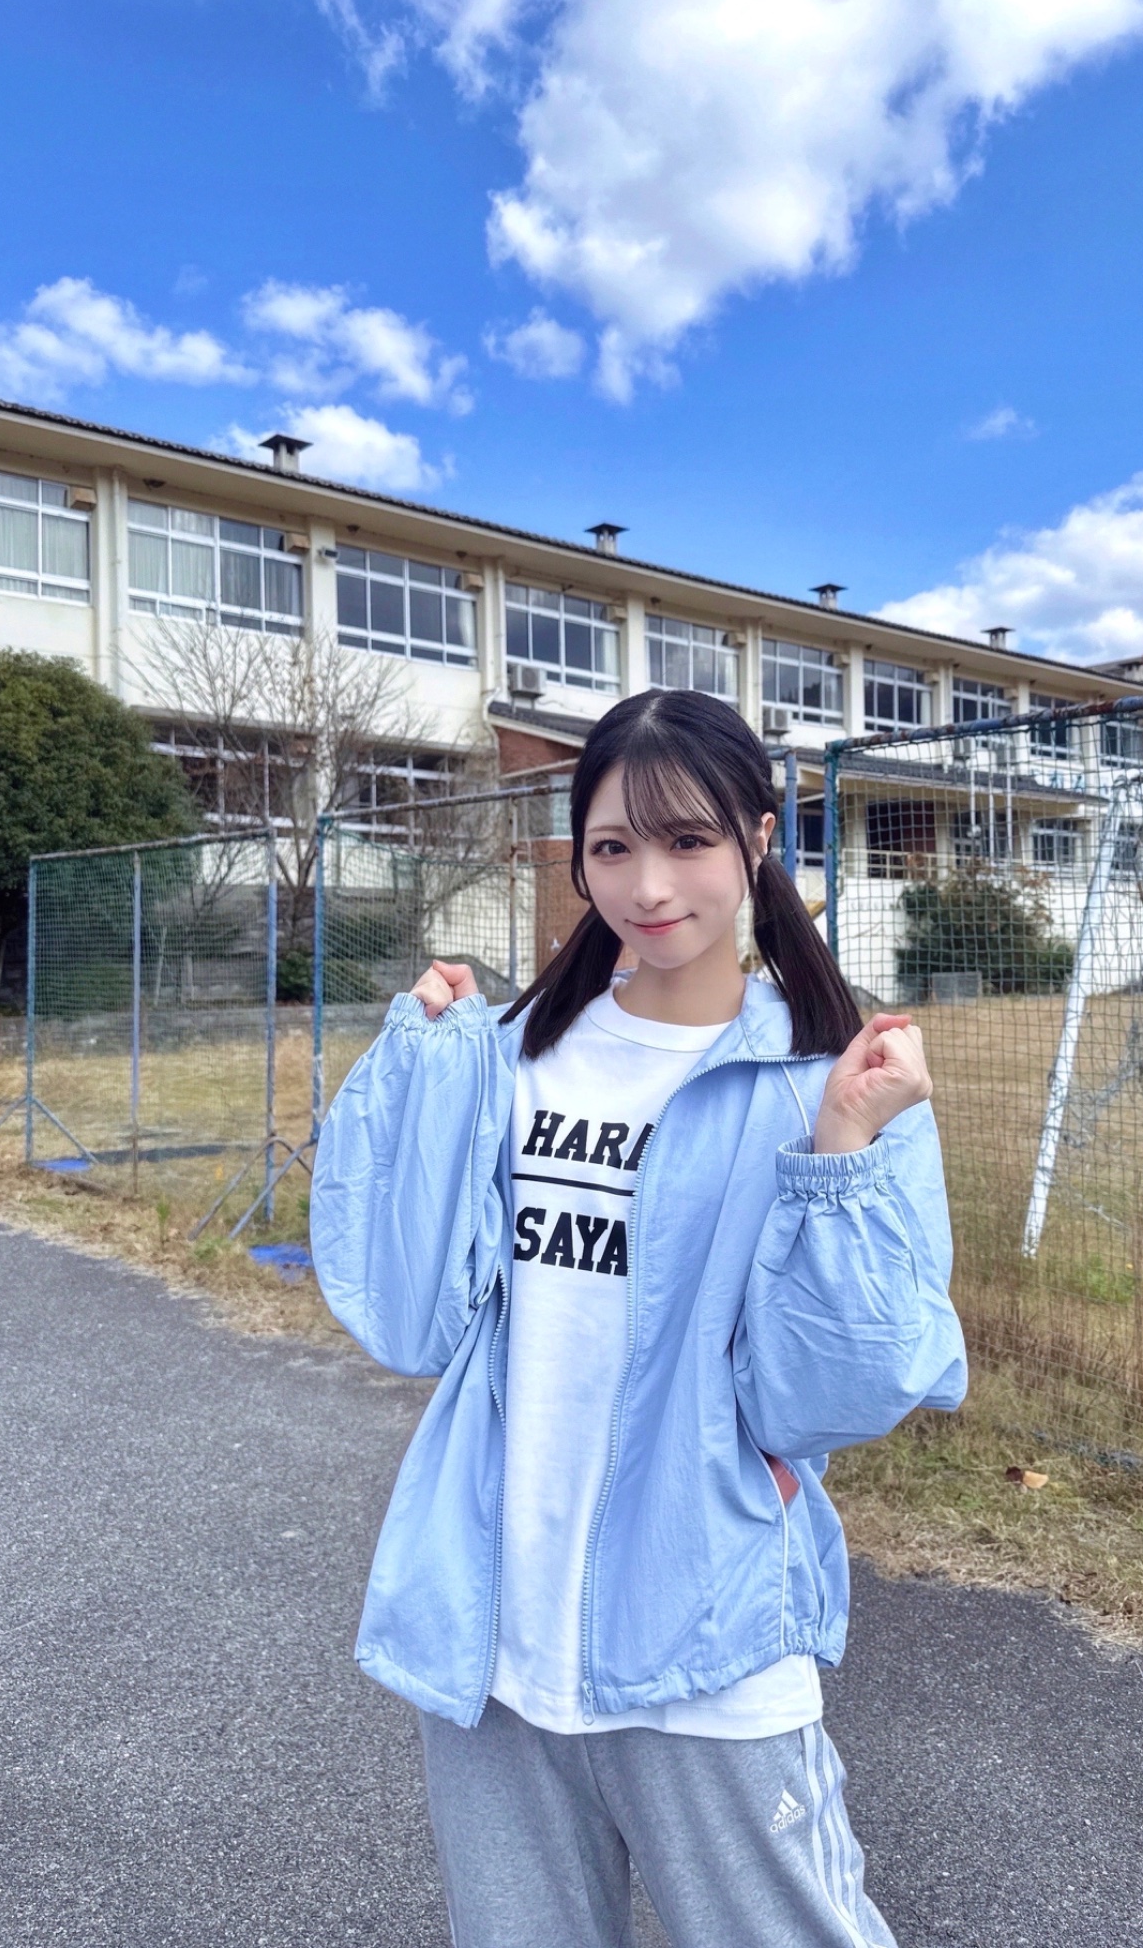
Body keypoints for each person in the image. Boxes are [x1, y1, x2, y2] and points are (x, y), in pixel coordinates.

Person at [311, 688, 966, 1947]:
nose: (648, 884)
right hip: (495, 1632)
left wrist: (838, 1155)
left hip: (705, 1637)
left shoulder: (831, 1080)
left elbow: (829, 1396)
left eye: (687, 840)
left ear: (758, 839)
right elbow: (408, 1317)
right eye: (612, 845)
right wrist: (417, 1071)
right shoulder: (511, 1053)